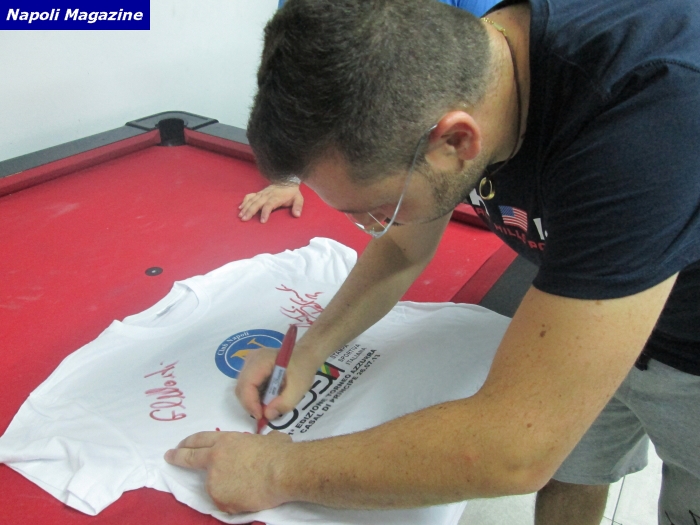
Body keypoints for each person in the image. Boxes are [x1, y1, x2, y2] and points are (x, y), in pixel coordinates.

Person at [166, 0, 700, 523]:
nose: (377, 226)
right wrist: (309, 352)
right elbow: (402, 248)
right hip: (593, 304)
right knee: (572, 472)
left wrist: (277, 470)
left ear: (456, 139)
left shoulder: (643, 112)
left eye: (381, 207)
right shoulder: (466, 73)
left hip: (690, 352)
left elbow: (515, 449)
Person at [238, 0, 499, 223]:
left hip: (460, 149)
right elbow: (293, 95)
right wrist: (288, 177)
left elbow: (491, 80)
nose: (366, 221)